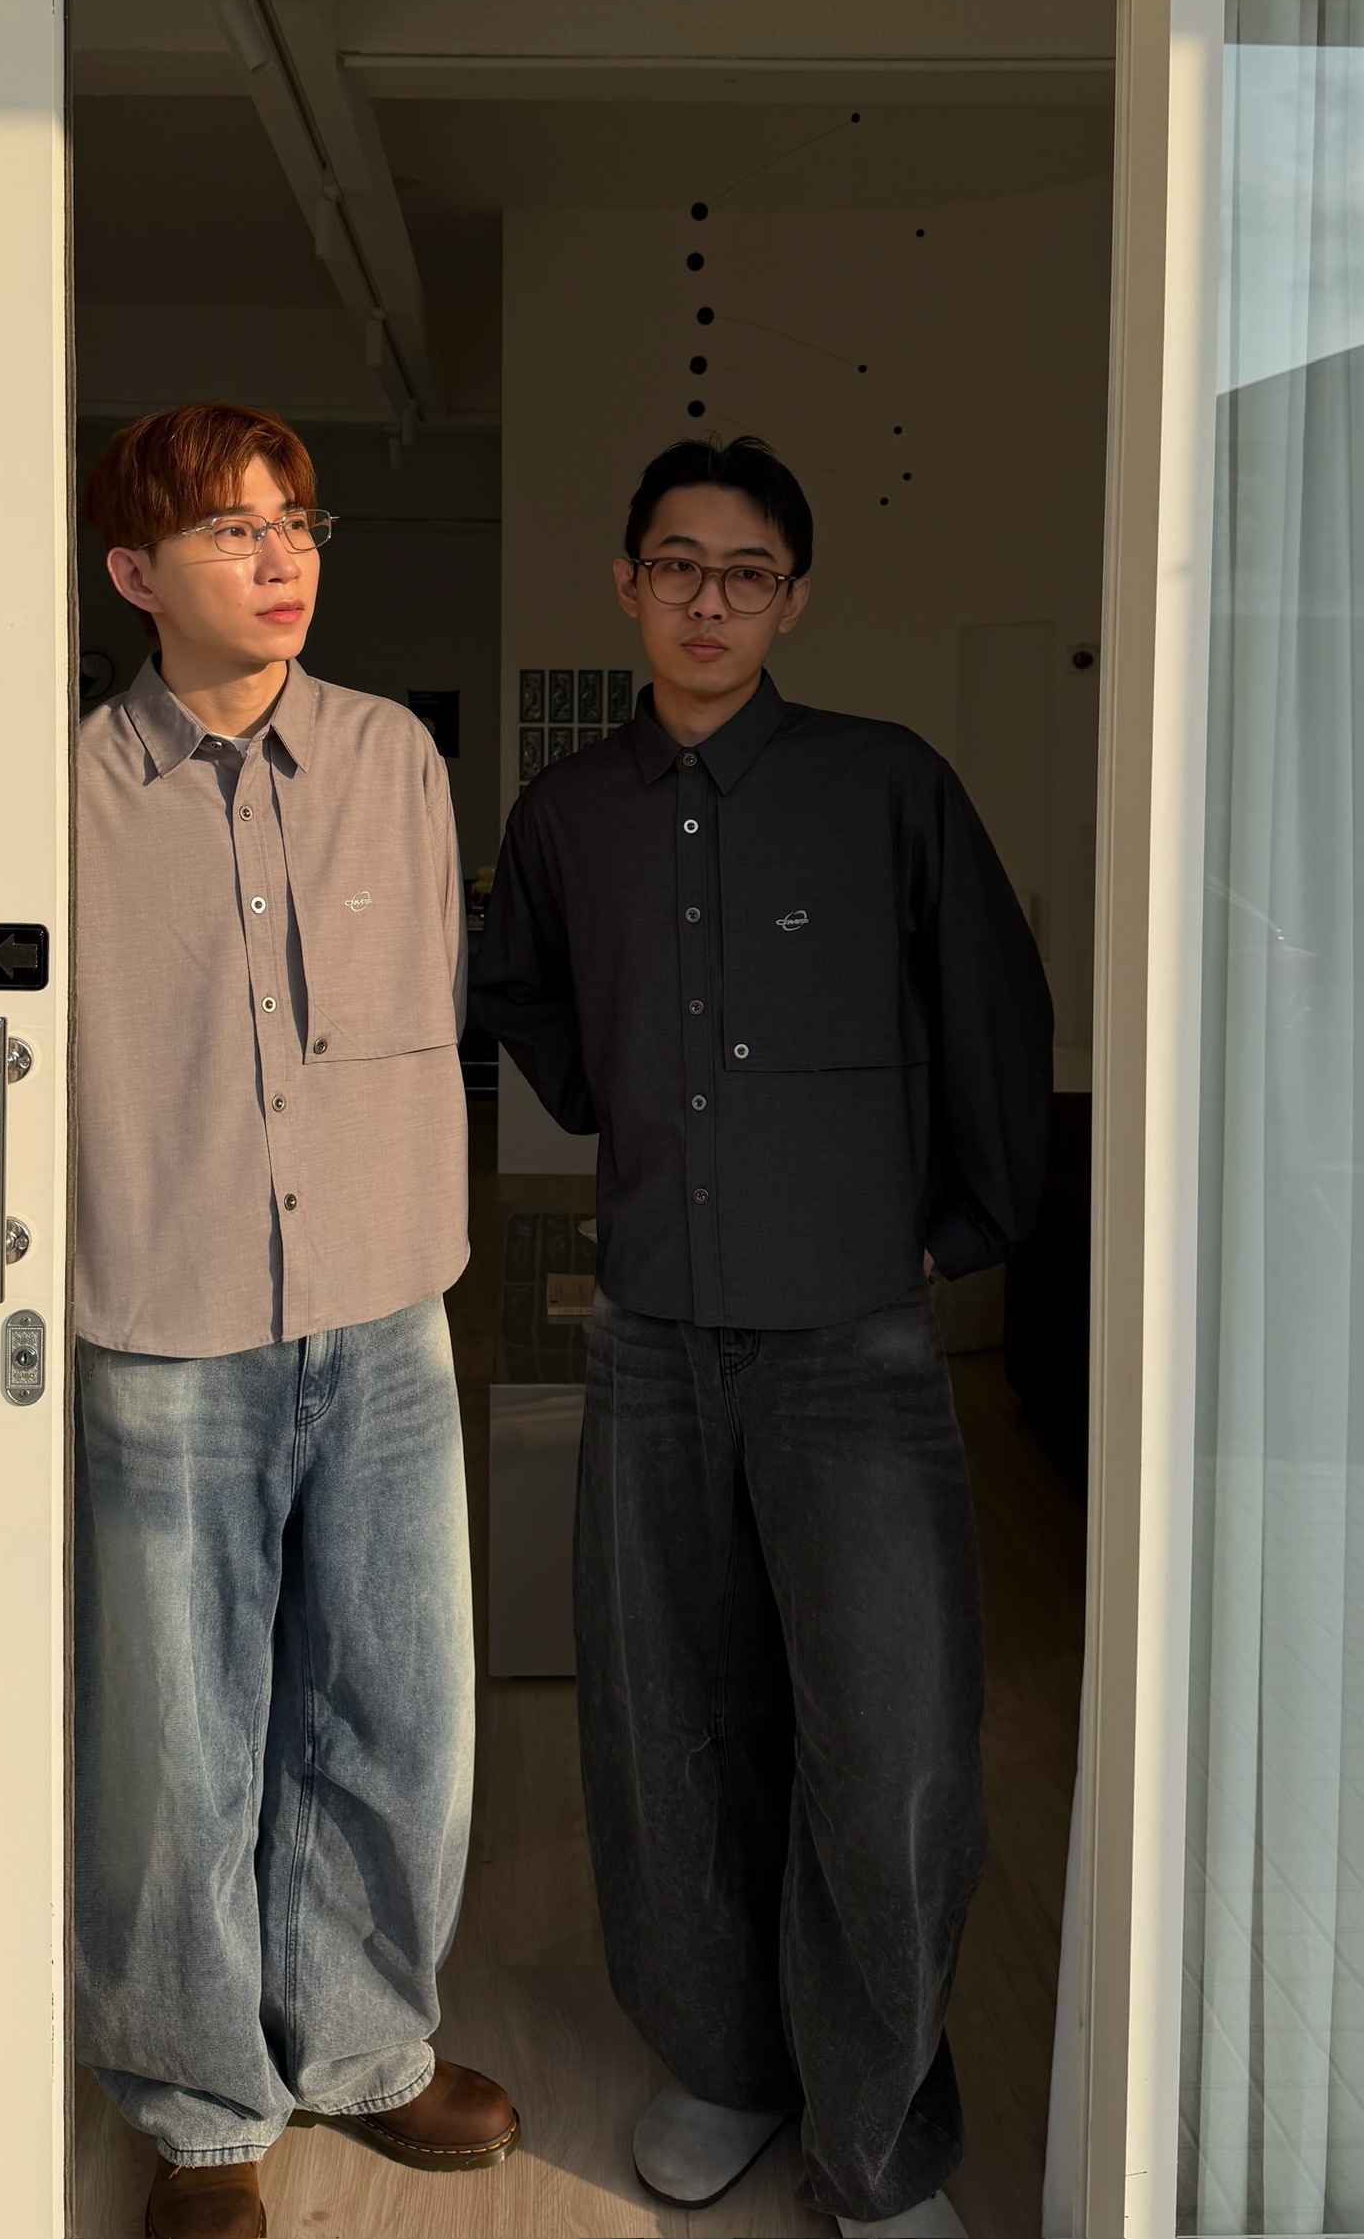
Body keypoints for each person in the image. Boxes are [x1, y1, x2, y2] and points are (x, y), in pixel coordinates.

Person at [473, 434, 1052, 2239]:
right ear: (626, 582)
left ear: (793, 597)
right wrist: (624, 1103)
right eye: (676, 563)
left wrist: (963, 1226)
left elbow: (995, 1005)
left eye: (744, 571)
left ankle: (873, 2139)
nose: (707, 599)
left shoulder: (887, 784)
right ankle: (726, 2062)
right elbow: (526, 995)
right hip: (649, 1342)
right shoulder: (567, 812)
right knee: (667, 1736)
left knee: (893, 1754)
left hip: (853, 1351)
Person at [73, 403, 517, 2239]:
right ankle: (197, 2107)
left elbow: (434, 988)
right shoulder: (69, 790)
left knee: (398, 1696)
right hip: (169, 1310)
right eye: (232, 529)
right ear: (134, 571)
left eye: (298, 523)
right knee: (179, 1735)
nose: (281, 558)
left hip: (385, 1297)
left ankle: (360, 2037)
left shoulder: (394, 756)